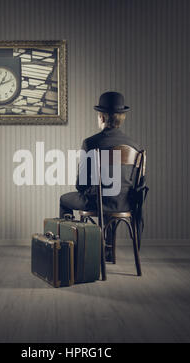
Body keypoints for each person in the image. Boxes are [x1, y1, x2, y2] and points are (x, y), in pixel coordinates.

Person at [59, 92, 141, 260]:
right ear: (121, 117)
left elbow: (80, 185)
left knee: (64, 199)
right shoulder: (134, 146)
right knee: (110, 196)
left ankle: (69, 253)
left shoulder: (91, 143)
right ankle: (109, 252)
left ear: (101, 117)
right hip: (124, 204)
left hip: (97, 202)